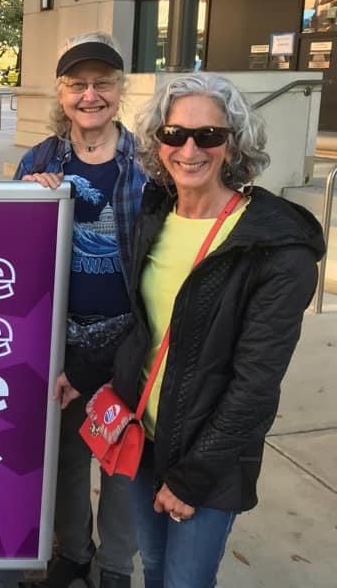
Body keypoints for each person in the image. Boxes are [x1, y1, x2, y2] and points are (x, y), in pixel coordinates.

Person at [115, 74, 323, 588]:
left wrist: (191, 479)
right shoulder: (155, 212)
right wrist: (92, 376)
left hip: (209, 456)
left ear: (232, 143)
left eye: (208, 135)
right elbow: (145, 327)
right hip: (144, 439)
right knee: (155, 567)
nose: (189, 149)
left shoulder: (275, 246)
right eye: (174, 134)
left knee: (186, 581)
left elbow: (256, 384)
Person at [16, 32, 144, 588]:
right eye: (77, 85)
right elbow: (10, 253)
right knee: (66, 457)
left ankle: (114, 566)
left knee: (122, 459)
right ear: (61, 93)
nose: (90, 95)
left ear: (119, 90)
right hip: (58, 338)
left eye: (103, 83)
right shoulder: (40, 158)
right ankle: (73, 553)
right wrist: (24, 196)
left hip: (130, 338)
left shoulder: (152, 162)